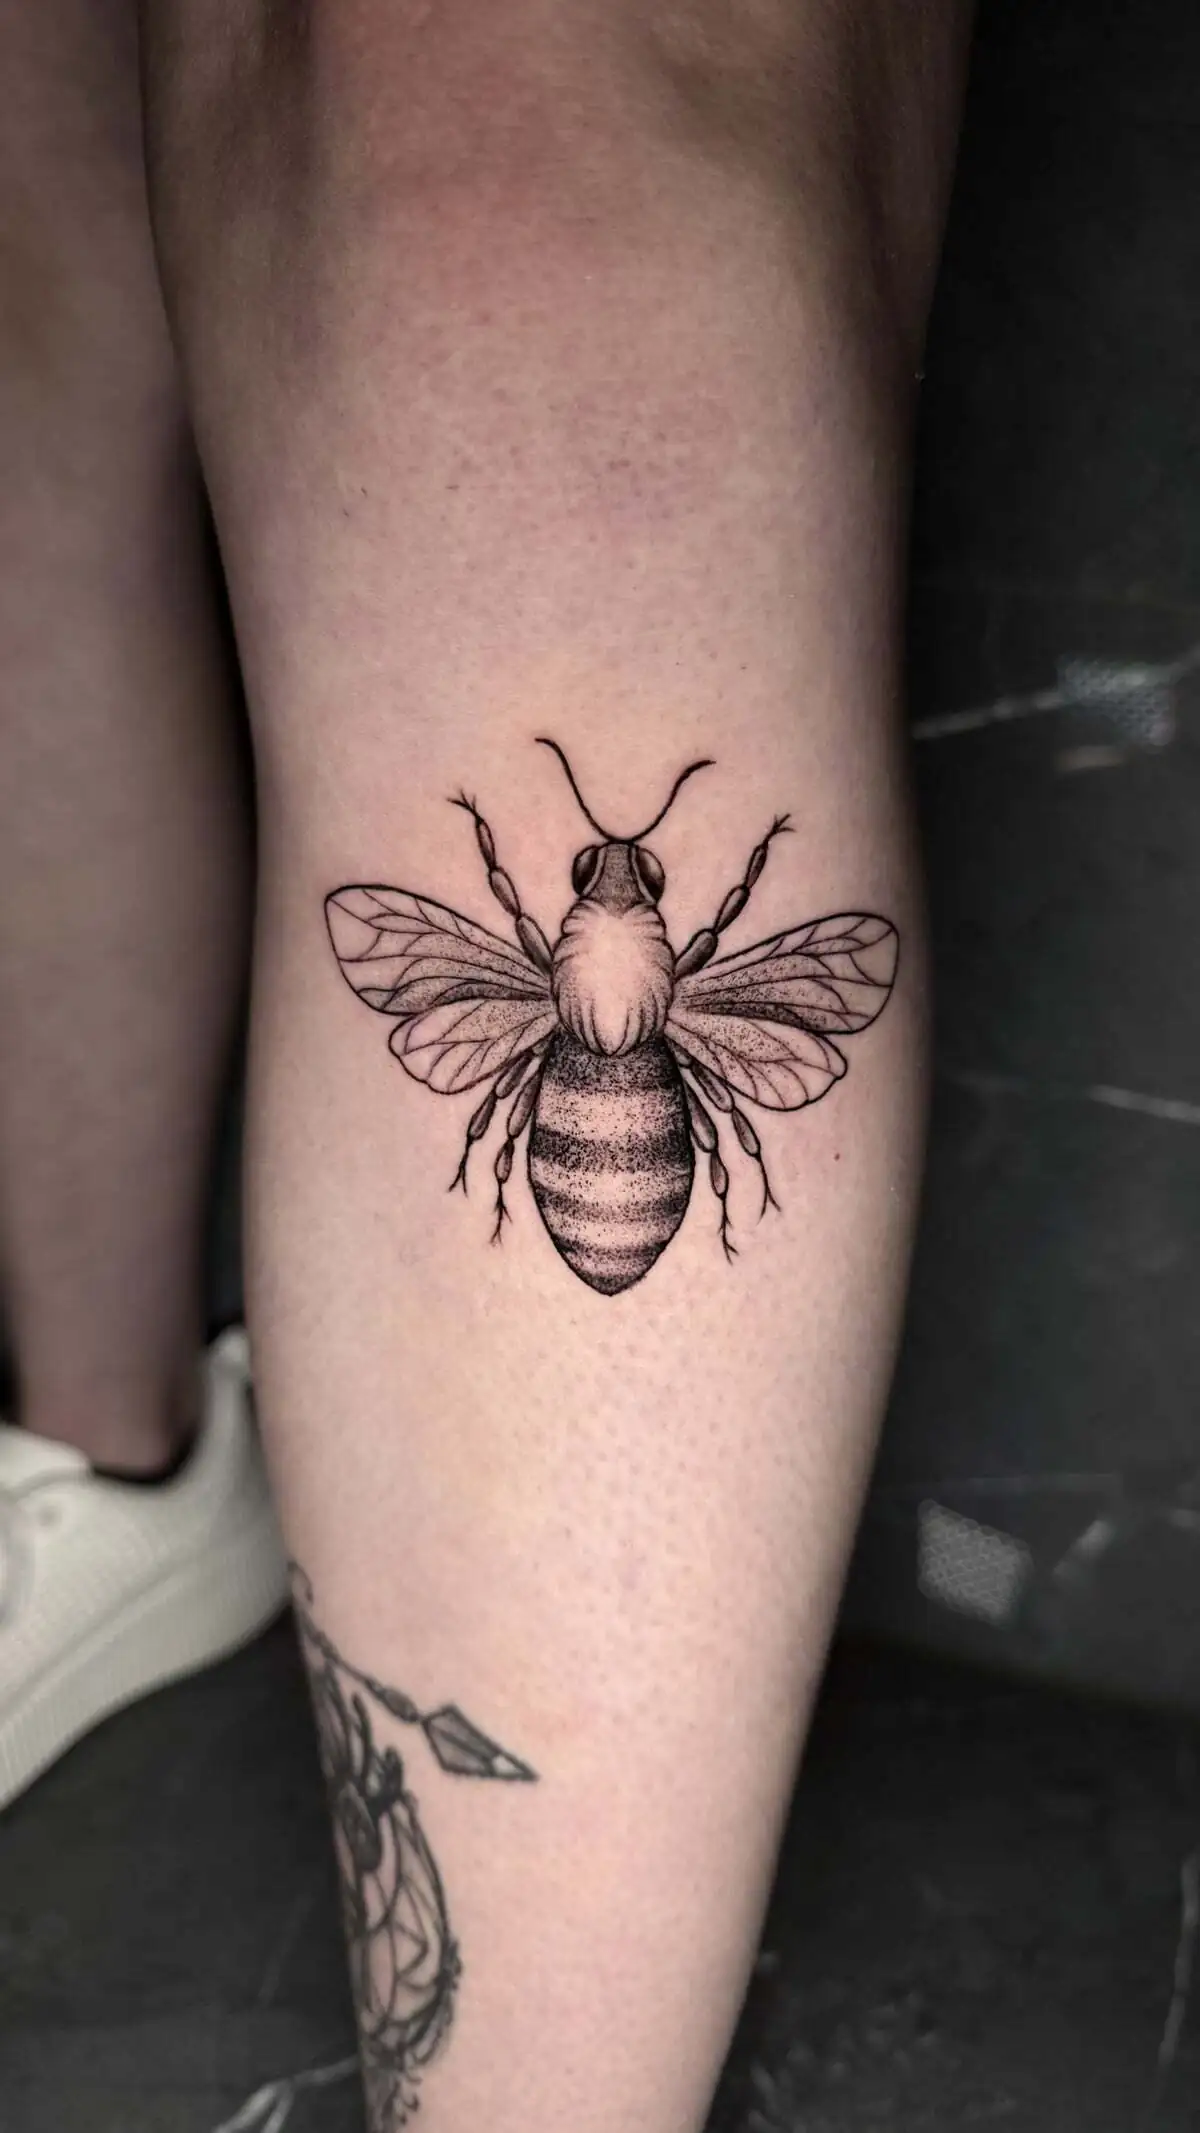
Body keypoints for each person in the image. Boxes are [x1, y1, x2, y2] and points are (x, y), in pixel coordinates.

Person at [0, 2, 972, 2127]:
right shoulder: (679, 978)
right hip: (622, 1108)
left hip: (589, 1114)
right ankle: (121, 1467)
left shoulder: (534, 973)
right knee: (51, 179)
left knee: (503, 118)